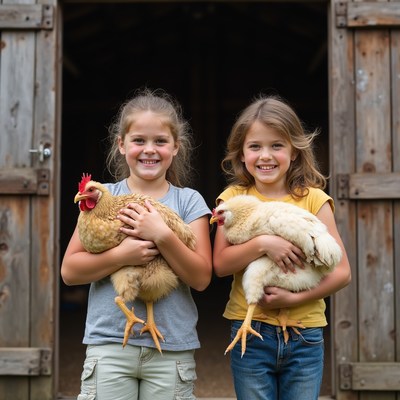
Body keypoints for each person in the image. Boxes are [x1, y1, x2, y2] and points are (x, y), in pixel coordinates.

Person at [61, 88, 212, 400]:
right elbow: (70, 271)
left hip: (171, 347)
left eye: (160, 141)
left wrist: (162, 234)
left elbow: (201, 277)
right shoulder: (101, 196)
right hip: (109, 343)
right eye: (139, 141)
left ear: (176, 147)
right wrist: (122, 254)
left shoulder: (188, 201)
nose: (149, 150)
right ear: (121, 145)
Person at [212, 94, 351, 400]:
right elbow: (221, 264)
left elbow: (342, 272)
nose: (266, 156)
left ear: (294, 151)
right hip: (251, 331)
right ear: (241, 153)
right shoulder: (232, 198)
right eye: (255, 146)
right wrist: (264, 243)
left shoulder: (313, 199)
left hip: (305, 332)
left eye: (277, 146)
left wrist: (292, 296)